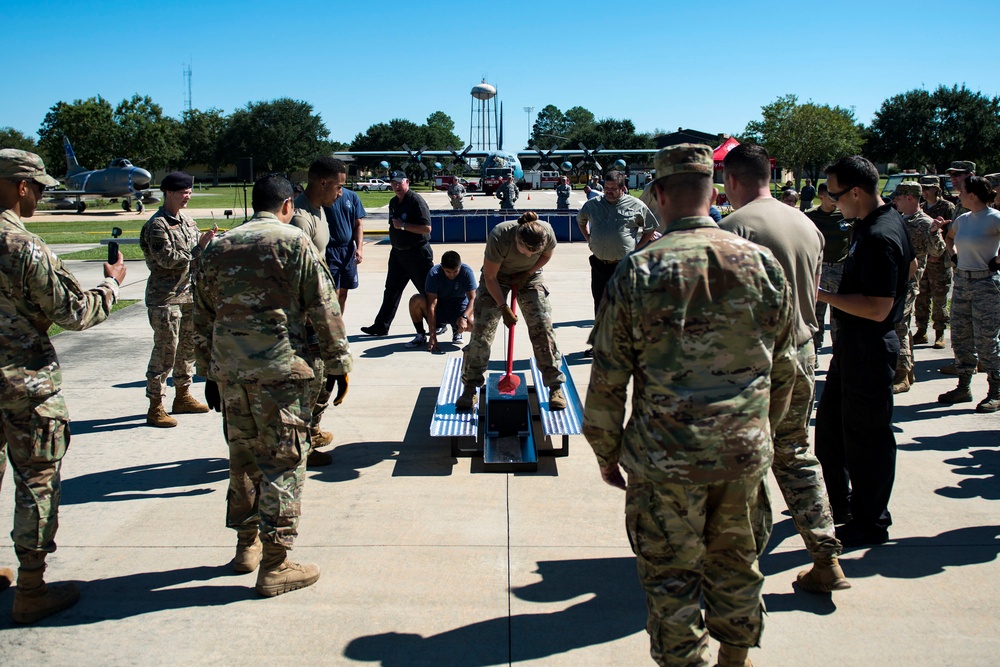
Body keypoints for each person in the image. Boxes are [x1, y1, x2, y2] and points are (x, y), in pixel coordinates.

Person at [583, 144, 795, 667]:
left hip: (664, 461)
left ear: (658, 195)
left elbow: (609, 377)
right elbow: (787, 367)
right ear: (714, 191)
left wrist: (606, 452)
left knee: (672, 576)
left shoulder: (636, 271)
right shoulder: (761, 264)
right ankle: (735, 659)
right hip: (743, 452)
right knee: (738, 562)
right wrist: (761, 433)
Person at [192, 173, 352, 597]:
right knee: (283, 464)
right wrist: (338, 363)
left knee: (241, 461)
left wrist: (208, 369)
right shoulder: (293, 242)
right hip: (281, 375)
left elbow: (202, 314)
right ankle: (276, 564)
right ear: (287, 206)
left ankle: (245, 548)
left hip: (231, 375)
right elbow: (323, 304)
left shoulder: (218, 247)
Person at [0, 149, 127, 622]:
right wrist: (111, 286)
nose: (40, 193)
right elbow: (73, 313)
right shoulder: (21, 245)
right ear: (19, 186)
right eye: (37, 186)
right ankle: (31, 589)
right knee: (36, 481)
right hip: (23, 384)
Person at [720, 143, 848, 593]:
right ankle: (826, 556)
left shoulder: (734, 227)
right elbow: (812, 289)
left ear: (732, 180)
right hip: (803, 349)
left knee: (744, 461)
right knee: (794, 453)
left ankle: (740, 563)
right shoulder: (805, 223)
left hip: (755, 361)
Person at [815, 156, 915, 548]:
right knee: (832, 434)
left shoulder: (879, 235)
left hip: (870, 347)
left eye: (837, 195)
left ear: (856, 192)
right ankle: (842, 506)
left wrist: (822, 294)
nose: (834, 203)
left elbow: (877, 306)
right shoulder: (873, 224)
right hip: (855, 346)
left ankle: (871, 521)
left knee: (867, 441)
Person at [455, 211, 567, 411]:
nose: (529, 255)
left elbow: (546, 256)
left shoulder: (546, 232)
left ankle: (555, 386)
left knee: (543, 328)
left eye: (534, 252)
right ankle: (470, 386)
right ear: (517, 238)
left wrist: (528, 273)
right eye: (525, 250)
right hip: (497, 278)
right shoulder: (500, 236)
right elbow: (490, 277)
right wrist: (503, 306)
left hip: (530, 278)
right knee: (482, 331)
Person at [139, 171, 214, 427]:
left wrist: (207, 247)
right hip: (165, 298)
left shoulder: (187, 221)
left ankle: (182, 396)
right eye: (183, 192)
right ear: (168, 192)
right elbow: (167, 260)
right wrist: (198, 249)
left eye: (190, 192)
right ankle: (155, 406)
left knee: (187, 350)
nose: (188, 196)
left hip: (188, 295)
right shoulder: (156, 225)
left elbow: (196, 256)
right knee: (165, 352)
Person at [291, 157, 349, 464]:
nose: (341, 192)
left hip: (319, 308)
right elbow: (304, 275)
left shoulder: (319, 210)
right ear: (323, 183)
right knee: (316, 379)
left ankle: (311, 429)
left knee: (323, 376)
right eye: (338, 186)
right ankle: (305, 441)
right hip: (306, 315)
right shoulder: (301, 219)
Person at [576, 170, 658, 357]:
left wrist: (638, 247)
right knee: (601, 304)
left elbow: (650, 228)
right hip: (599, 263)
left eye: (613, 188)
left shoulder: (636, 205)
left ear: (623, 188)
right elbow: (581, 220)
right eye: (606, 188)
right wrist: (588, 238)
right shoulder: (593, 205)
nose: (609, 191)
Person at [937, 175, 1000, 412]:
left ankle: (996, 390)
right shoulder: (962, 219)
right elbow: (949, 237)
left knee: (986, 340)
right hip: (962, 282)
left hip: (986, 284)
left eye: (962, 191)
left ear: (973, 195)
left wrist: (997, 260)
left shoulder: (994, 218)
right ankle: (963, 386)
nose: (958, 194)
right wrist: (953, 255)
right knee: (962, 337)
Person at [361, 171, 433, 337]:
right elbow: (392, 226)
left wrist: (403, 226)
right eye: (393, 183)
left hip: (417, 253)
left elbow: (427, 228)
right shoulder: (393, 202)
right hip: (398, 254)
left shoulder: (416, 201)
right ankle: (381, 326)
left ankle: (438, 323)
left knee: (428, 290)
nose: (396, 186)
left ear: (407, 182)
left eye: (399, 183)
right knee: (391, 290)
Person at [891, 182, 946, 393]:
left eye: (899, 197)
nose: (895, 200)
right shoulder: (898, 218)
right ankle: (908, 370)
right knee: (900, 325)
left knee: (900, 326)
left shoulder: (925, 222)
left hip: (910, 281)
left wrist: (934, 232)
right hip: (896, 279)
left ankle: (902, 375)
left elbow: (938, 251)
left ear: (911, 198)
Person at [937, 161, 977, 375]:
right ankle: (965, 360)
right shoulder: (961, 201)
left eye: (958, 175)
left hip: (982, 269)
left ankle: (979, 361)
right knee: (963, 317)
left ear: (970, 175)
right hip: (961, 265)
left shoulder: (981, 199)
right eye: (951, 175)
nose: (953, 179)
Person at [806, 182, 848, 353]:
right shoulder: (811, 216)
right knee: (816, 315)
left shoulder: (845, 215)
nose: (835, 201)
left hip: (840, 269)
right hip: (820, 269)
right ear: (821, 197)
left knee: (839, 316)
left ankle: (839, 353)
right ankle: (814, 351)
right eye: (831, 197)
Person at [405, 250, 477, 350]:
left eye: (455, 271)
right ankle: (421, 335)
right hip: (440, 308)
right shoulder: (434, 273)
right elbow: (432, 305)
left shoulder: (466, 272)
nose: (452, 275)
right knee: (416, 300)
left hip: (459, 308)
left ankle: (457, 330)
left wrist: (464, 317)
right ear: (442, 267)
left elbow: (473, 299)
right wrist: (433, 337)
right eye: (448, 272)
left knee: (475, 324)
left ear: (460, 266)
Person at [914, 176, 955, 349]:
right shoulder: (921, 208)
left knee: (939, 298)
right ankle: (921, 330)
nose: (924, 191)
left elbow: (951, 233)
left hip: (939, 260)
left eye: (927, 188)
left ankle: (940, 333)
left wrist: (941, 252)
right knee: (921, 297)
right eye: (922, 188)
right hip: (924, 261)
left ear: (936, 189)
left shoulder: (947, 207)